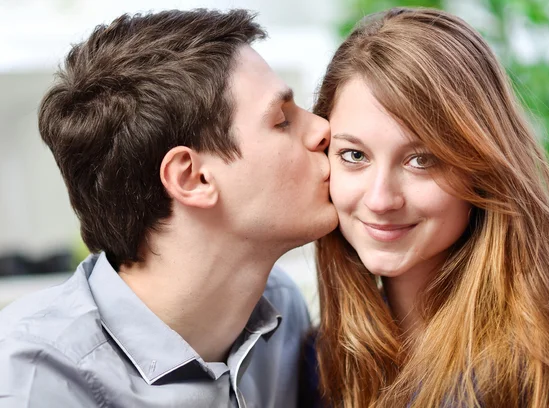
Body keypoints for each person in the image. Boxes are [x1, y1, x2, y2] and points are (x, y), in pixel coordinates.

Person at [0, 8, 338, 408]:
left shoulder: (279, 311)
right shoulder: (33, 381)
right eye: (282, 120)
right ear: (192, 178)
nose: (322, 129)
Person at [312, 7, 549, 407]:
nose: (380, 199)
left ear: (480, 169)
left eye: (421, 160)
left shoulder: (519, 374)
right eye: (355, 155)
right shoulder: (319, 356)